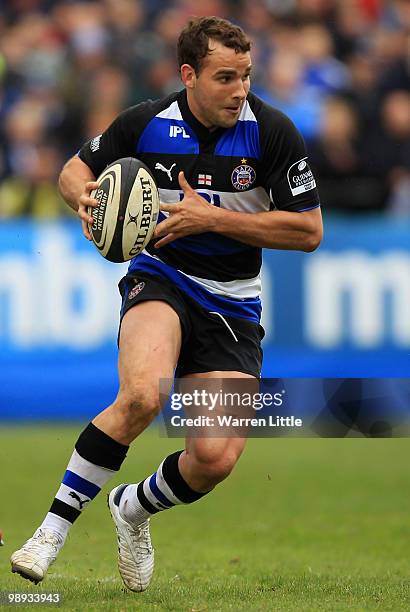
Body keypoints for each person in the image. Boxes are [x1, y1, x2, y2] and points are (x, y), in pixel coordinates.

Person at [11, 16, 322, 592]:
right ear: (189, 75)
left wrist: (214, 218)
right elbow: (75, 169)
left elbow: (308, 231)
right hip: (163, 275)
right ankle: (51, 531)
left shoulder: (274, 133)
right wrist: (86, 196)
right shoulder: (146, 122)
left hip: (233, 303)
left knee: (214, 459)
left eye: (246, 76)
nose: (240, 90)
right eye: (225, 77)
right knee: (139, 394)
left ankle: (132, 508)